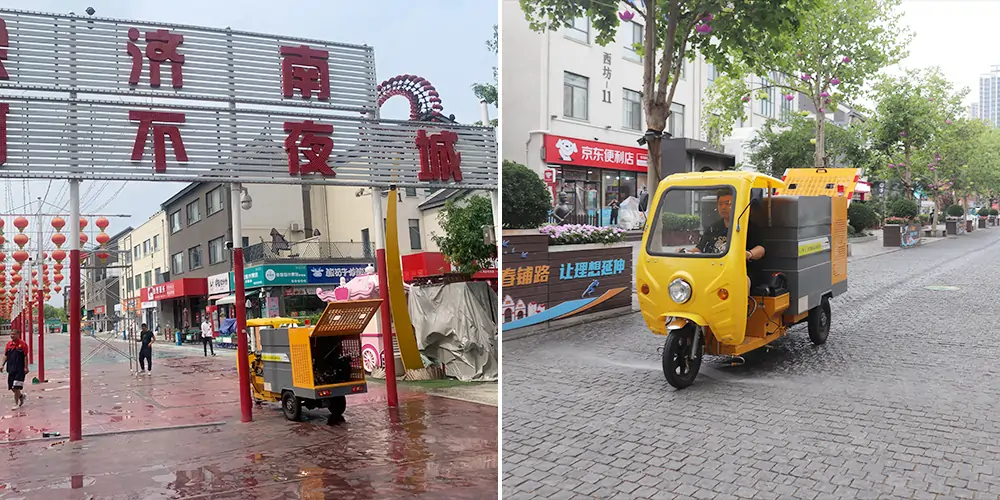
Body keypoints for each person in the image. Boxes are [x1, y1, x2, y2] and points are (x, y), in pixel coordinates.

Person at [690, 190, 765, 292]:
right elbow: (700, 248)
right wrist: (686, 253)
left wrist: (749, 254)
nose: (723, 207)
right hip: (713, 269)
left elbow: (761, 249)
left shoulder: (749, 226)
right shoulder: (713, 228)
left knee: (741, 282)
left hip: (742, 271)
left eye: (728, 203)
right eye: (720, 204)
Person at [1, 329, 29, 410]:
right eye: (11, 334)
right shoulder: (9, 344)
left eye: (14, 334)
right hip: (10, 369)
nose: (12, 336)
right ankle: (21, 396)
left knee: (16, 387)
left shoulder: (23, 344)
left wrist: (26, 367)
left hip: (20, 369)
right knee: (12, 388)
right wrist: (2, 365)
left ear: (18, 335)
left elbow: (25, 356)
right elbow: (5, 355)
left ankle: (16, 403)